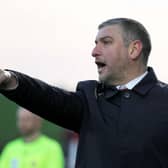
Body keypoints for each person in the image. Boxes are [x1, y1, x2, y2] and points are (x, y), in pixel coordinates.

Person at [0, 17, 167, 167]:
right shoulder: (90, 99)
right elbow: (46, 97)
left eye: (106, 42)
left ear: (133, 49)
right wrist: (7, 78)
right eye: (96, 43)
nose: (94, 52)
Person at [0, 107, 64, 168]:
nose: (22, 123)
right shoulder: (10, 147)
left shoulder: (52, 147)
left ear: (38, 121)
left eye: (26, 119)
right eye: (20, 119)